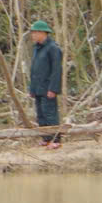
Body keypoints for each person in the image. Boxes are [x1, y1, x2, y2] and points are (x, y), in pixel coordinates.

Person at [28, 19, 64, 148]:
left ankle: (55, 139)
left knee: (50, 113)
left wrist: (53, 89)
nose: (33, 35)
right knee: (40, 114)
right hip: (38, 87)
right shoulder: (37, 48)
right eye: (32, 32)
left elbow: (57, 70)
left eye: (35, 32)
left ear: (43, 33)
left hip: (48, 88)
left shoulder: (53, 48)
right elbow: (34, 70)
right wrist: (32, 89)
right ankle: (46, 138)